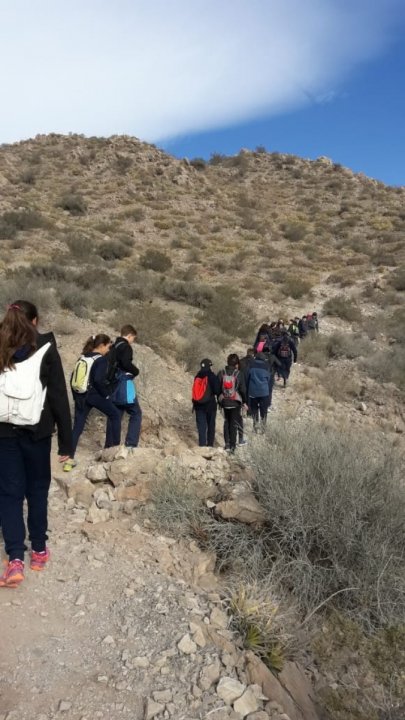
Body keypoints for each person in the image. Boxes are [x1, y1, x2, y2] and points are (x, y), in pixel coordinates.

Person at [0, 300, 73, 588]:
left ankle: (15, 559)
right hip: (37, 432)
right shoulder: (45, 347)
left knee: (9, 494)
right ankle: (39, 551)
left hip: (4, 431)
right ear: (35, 321)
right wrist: (66, 444)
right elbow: (58, 396)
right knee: (37, 490)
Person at [65, 334, 122, 470]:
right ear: (101, 346)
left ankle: (69, 460)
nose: (108, 350)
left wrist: (76, 397)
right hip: (94, 396)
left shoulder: (83, 357)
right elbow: (98, 380)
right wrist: (106, 395)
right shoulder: (101, 360)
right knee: (115, 415)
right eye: (108, 347)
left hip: (81, 396)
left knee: (77, 427)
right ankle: (115, 452)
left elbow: (73, 378)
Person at [109, 324, 142, 449]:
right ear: (129, 335)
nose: (133, 341)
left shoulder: (113, 346)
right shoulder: (126, 347)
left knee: (115, 413)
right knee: (136, 412)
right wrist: (136, 371)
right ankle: (131, 444)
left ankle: (111, 445)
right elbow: (126, 363)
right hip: (124, 382)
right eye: (133, 338)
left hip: (113, 384)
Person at [217, 354, 247, 453]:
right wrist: (245, 402)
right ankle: (233, 447)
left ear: (227, 361)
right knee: (233, 424)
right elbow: (243, 390)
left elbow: (217, 389)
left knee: (226, 421)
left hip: (224, 401)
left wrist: (219, 400)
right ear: (237, 364)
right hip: (235, 402)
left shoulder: (221, 373)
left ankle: (227, 444)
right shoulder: (239, 374)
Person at [192, 359, 220, 447]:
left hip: (198, 405)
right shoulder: (212, 376)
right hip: (210, 405)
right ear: (210, 366)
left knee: (201, 426)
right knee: (211, 425)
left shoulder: (197, 376)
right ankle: (210, 445)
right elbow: (217, 390)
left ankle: (202, 445)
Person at [246, 352, 272, 432]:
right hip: (264, 392)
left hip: (253, 391)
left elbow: (247, 377)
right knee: (263, 410)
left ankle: (255, 426)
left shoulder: (251, 365)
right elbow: (269, 379)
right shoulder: (267, 366)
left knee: (254, 408)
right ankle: (263, 427)